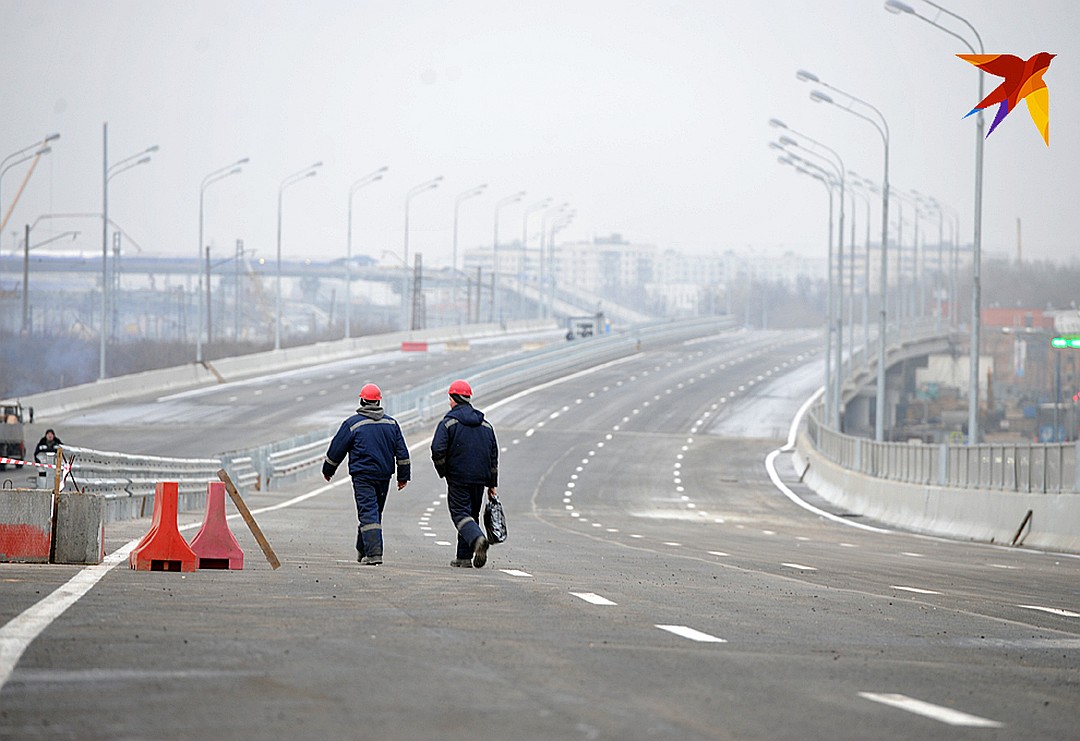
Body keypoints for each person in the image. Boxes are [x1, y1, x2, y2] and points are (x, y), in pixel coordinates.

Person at [322, 384, 410, 566]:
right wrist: (403, 476)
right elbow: (402, 453)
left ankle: (374, 554)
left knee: (369, 512)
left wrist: (328, 470)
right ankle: (363, 549)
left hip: (362, 476)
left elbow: (336, 449)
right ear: (378, 401)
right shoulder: (391, 424)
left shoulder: (353, 424)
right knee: (374, 512)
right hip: (384, 476)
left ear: (362, 400)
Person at [430, 379, 499, 568]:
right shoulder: (486, 426)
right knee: (471, 515)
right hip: (480, 478)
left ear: (453, 399)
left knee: (460, 513)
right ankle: (463, 557)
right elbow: (493, 456)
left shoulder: (448, 423)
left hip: (458, 476)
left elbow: (437, 449)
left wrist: (444, 470)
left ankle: (477, 539)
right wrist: (492, 483)